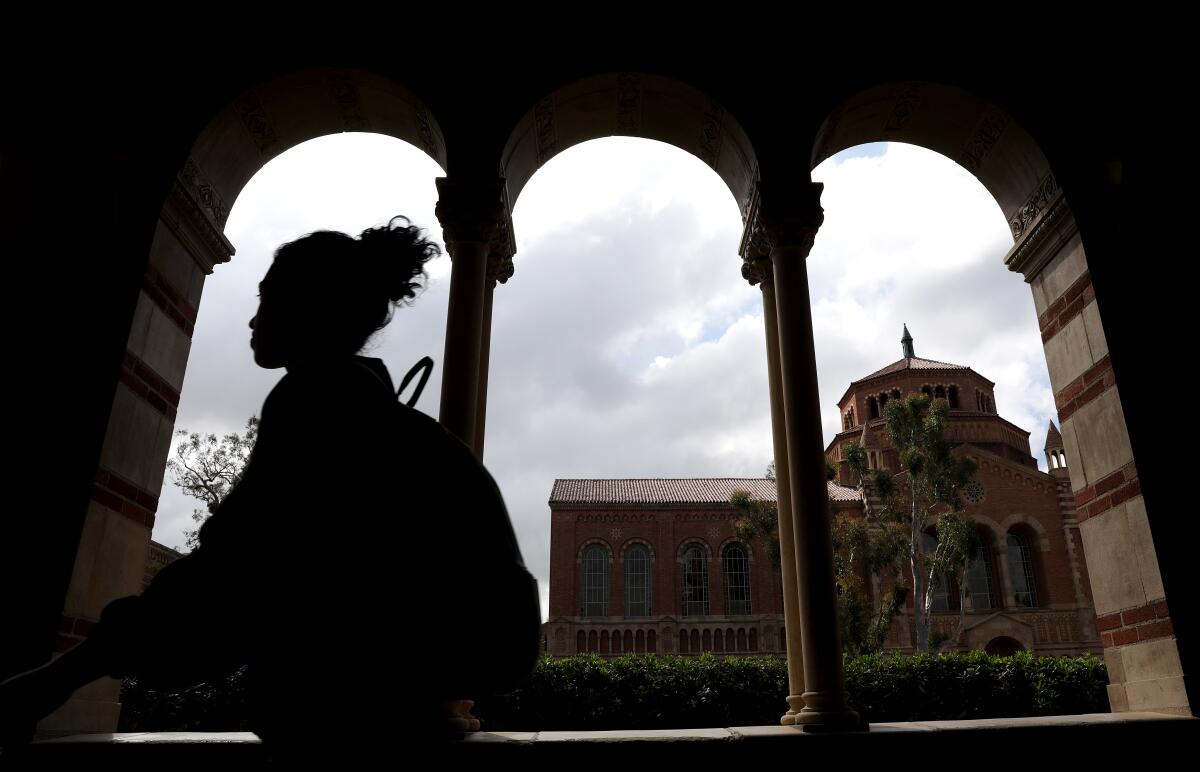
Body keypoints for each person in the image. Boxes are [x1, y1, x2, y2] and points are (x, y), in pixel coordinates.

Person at [0, 217, 540, 758]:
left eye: (266, 298)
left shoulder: (315, 406)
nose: (253, 319)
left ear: (306, 310)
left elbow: (231, 569)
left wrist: (68, 672)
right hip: (445, 670)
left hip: (366, 711)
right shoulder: (373, 417)